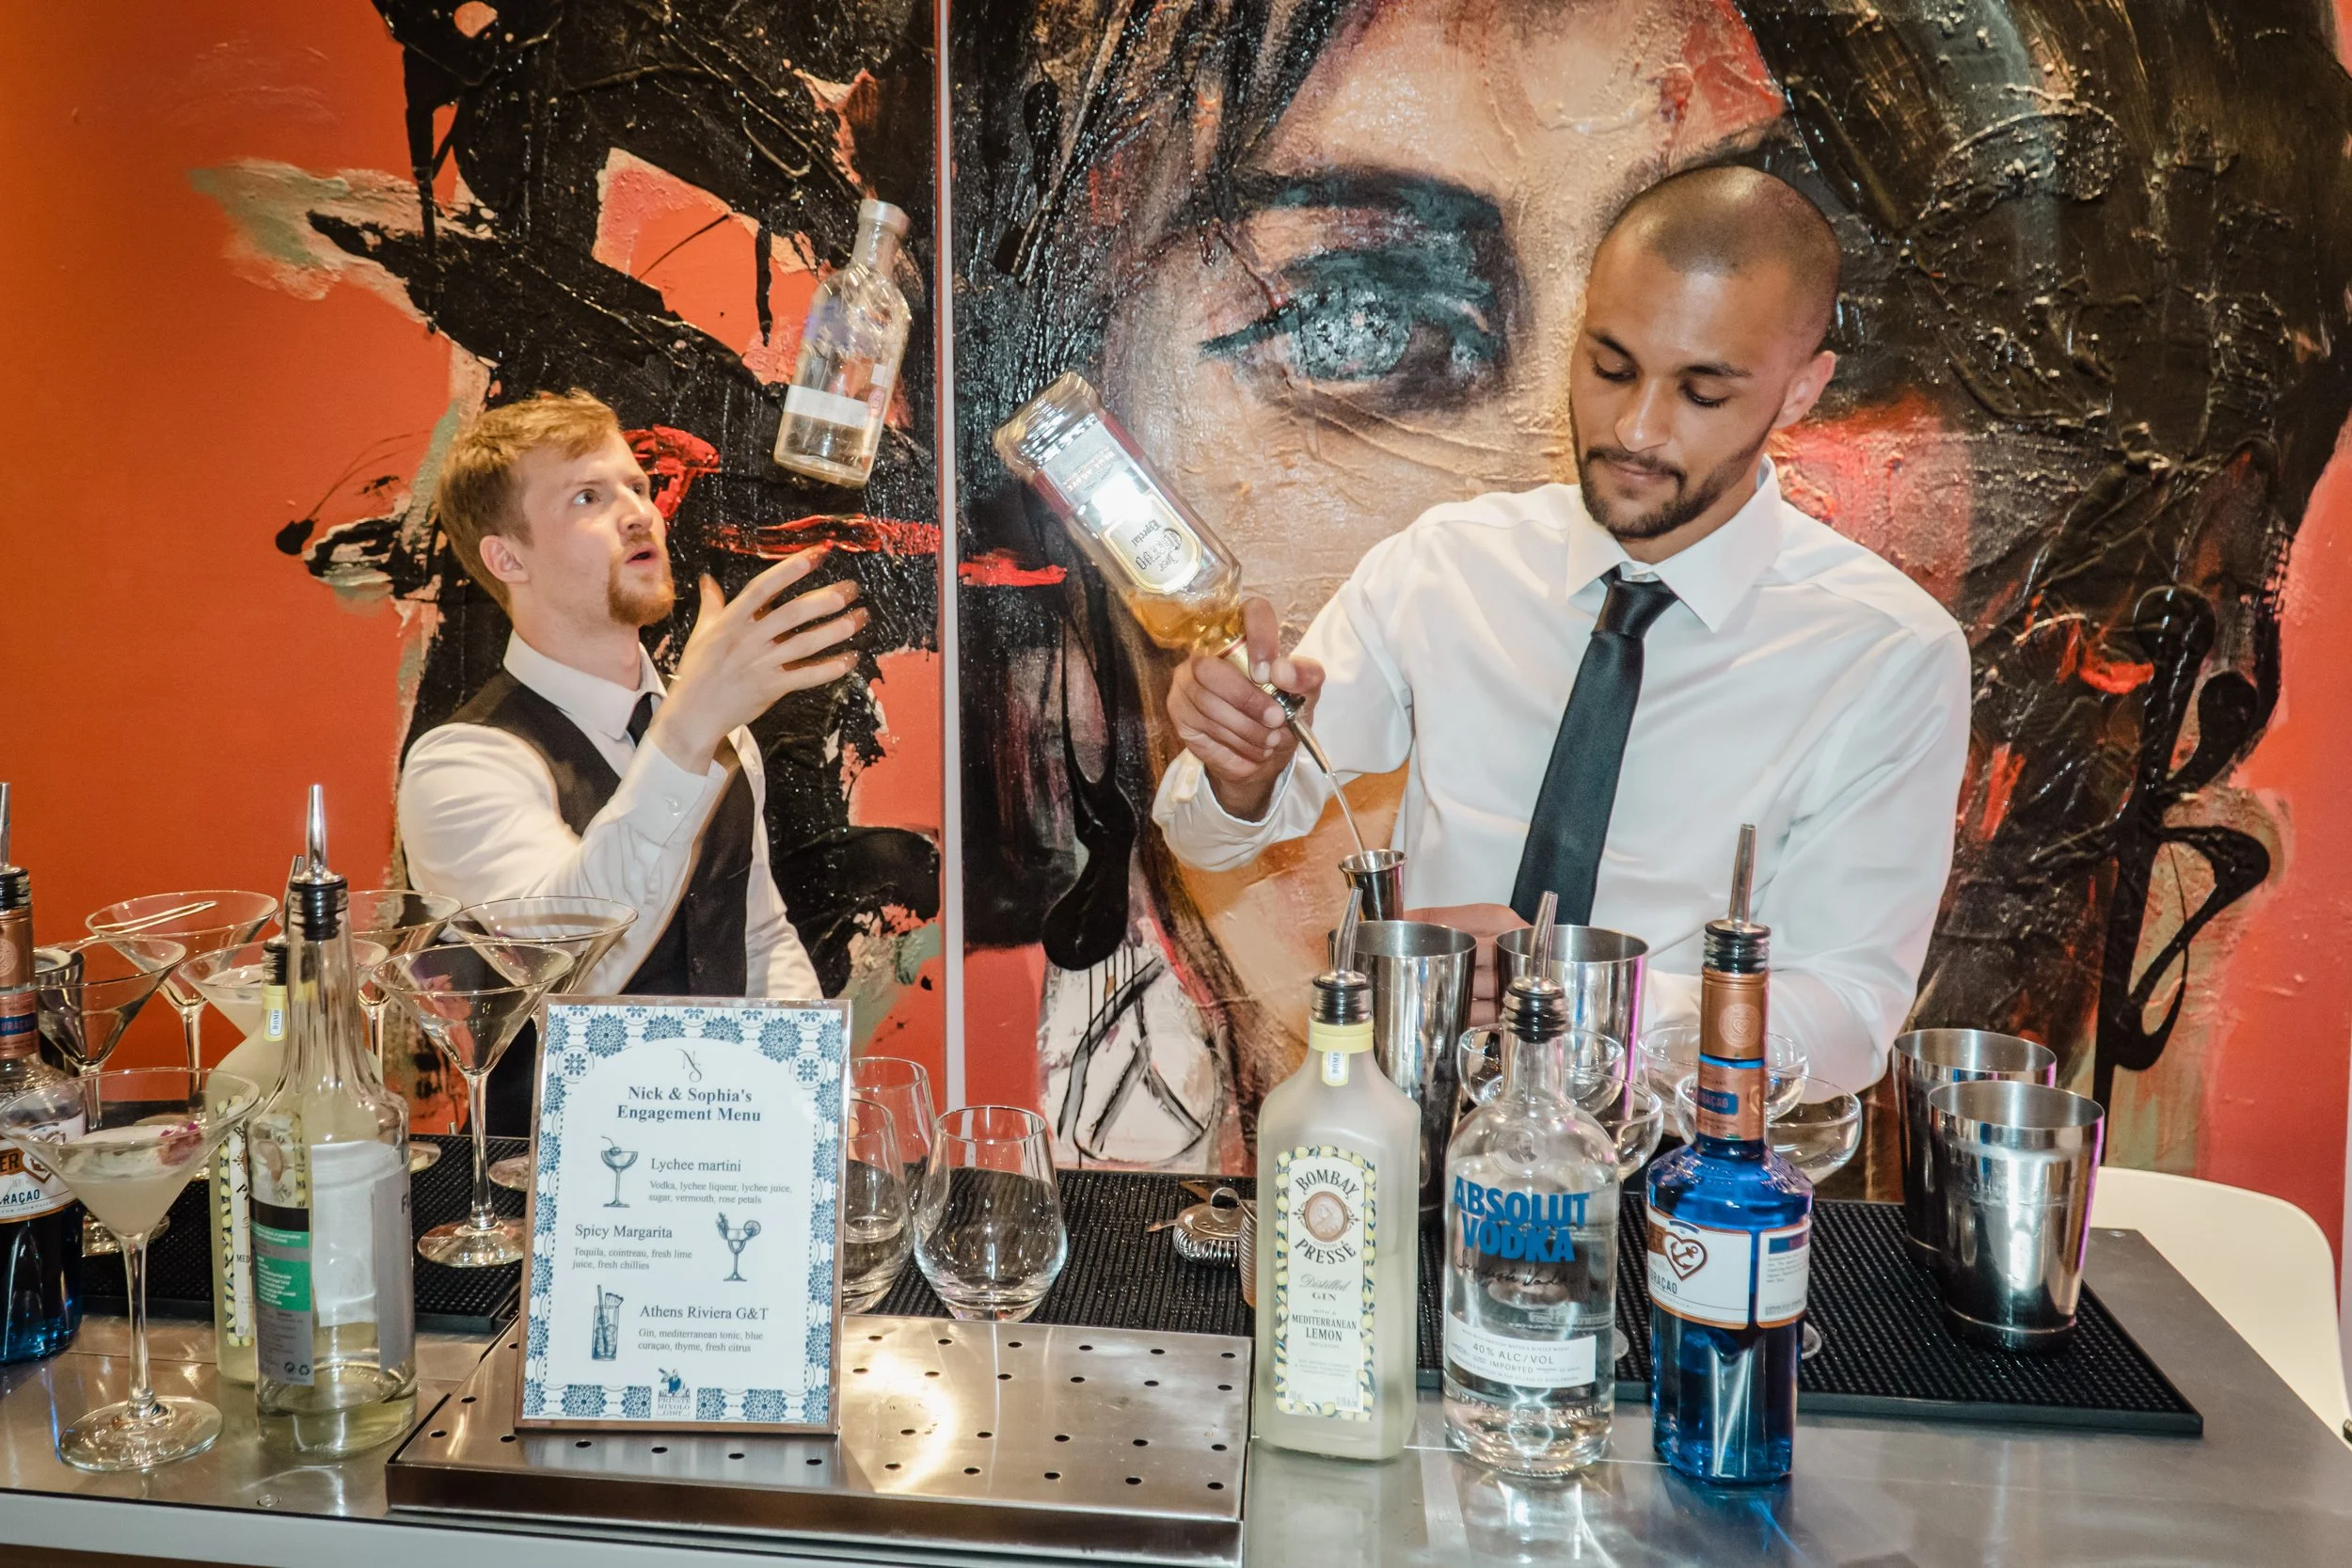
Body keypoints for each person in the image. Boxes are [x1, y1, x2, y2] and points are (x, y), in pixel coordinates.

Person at [1152, 167, 1972, 1091]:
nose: (1636, 427)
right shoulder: (1448, 566)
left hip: (1680, 1194)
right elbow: (1210, 838)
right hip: (1429, 1158)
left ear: (1797, 391)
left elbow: (1850, 1019)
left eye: (1702, 393)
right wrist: (1241, 773)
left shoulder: (1886, 654)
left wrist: (1579, 994)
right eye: (1609, 365)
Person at [397, 390, 867, 1130]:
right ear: (506, 555)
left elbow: (758, 936)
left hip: (731, 1163)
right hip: (568, 1191)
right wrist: (687, 732)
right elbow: (572, 972)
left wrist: (811, 1110)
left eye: (640, 488)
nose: (639, 512)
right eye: (589, 495)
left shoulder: (716, 730)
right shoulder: (461, 763)